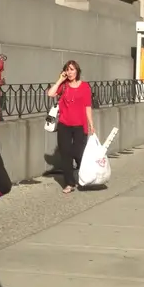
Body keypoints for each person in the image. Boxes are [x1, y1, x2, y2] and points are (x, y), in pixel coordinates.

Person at [46, 60, 93, 194]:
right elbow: (50, 94)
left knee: (77, 152)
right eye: (67, 69)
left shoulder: (84, 86)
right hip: (64, 125)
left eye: (72, 69)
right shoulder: (64, 86)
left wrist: (91, 124)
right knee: (65, 154)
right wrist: (60, 80)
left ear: (77, 71)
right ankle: (69, 183)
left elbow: (87, 106)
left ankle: (83, 171)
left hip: (80, 125)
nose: (69, 72)